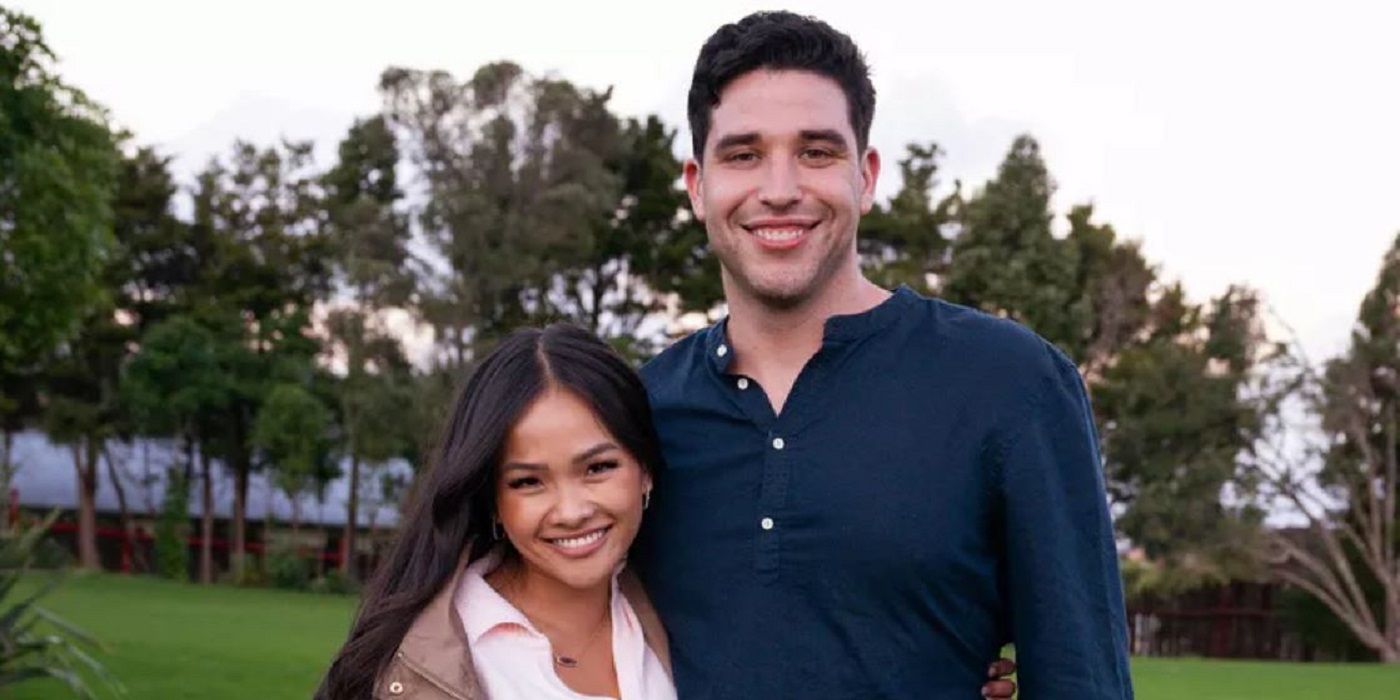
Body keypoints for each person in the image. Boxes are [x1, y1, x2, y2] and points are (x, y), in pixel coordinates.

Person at [634, 11, 1134, 699]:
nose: (779, 188)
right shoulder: (637, 414)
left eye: (817, 152)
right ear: (697, 185)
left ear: (866, 176)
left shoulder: (1010, 383)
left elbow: (1081, 676)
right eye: (743, 154)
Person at [314, 324, 1021, 698]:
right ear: (490, 497)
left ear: (644, 468)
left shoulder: (677, 612)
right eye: (528, 482)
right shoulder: (426, 660)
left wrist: (934, 673)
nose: (571, 509)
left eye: (598, 468)